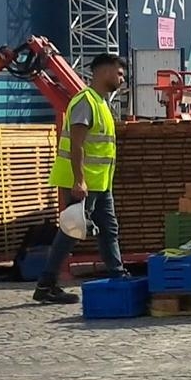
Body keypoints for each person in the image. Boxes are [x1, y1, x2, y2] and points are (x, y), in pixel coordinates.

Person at [37, 52, 124, 304]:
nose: (121, 79)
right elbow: (77, 144)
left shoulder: (102, 103)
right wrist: (79, 180)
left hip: (100, 183)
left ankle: (118, 275)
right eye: (119, 73)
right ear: (104, 71)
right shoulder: (86, 101)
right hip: (83, 182)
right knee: (72, 230)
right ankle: (46, 283)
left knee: (109, 229)